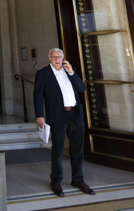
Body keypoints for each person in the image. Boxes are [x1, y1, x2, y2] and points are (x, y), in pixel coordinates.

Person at [33, 48, 95, 197]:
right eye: (54, 57)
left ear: (63, 58)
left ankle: (78, 180)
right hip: (57, 116)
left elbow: (82, 88)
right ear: (49, 58)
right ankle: (56, 181)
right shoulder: (43, 73)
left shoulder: (69, 71)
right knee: (58, 150)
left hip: (75, 114)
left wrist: (72, 73)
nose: (57, 59)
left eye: (59, 57)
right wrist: (40, 115)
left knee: (77, 150)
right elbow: (37, 95)